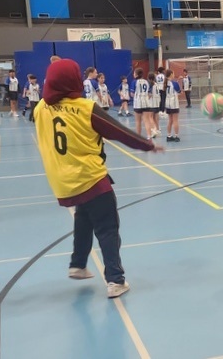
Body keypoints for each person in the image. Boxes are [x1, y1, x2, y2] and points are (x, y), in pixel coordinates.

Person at [33, 59, 162, 298]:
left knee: (84, 217)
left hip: (63, 182)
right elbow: (119, 132)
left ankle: (78, 264)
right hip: (90, 177)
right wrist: (147, 145)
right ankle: (115, 279)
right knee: (108, 228)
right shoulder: (85, 108)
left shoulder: (40, 107)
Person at [164, 69, 181, 142]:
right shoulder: (174, 83)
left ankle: (169, 135)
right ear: (171, 74)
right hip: (174, 103)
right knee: (175, 120)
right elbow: (179, 92)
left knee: (170, 120)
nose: (174, 74)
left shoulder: (165, 83)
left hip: (167, 103)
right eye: (173, 73)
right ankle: (176, 136)